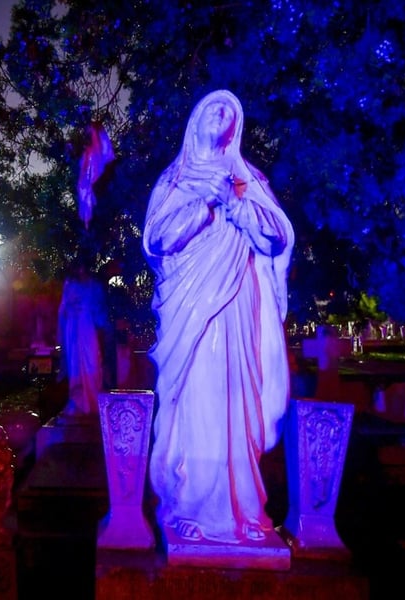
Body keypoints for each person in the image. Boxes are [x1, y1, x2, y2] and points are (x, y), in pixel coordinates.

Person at [143, 89, 295, 545]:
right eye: (213, 106)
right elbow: (156, 241)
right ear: (195, 120)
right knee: (201, 398)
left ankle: (245, 510)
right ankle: (191, 505)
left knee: (239, 399)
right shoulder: (175, 179)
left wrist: (235, 203)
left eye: (229, 110)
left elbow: (275, 239)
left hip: (238, 304)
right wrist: (202, 204)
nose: (222, 113)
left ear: (236, 127)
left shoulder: (249, 179)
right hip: (191, 309)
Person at [57, 259, 111, 415]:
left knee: (91, 360)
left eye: (83, 266)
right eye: (77, 267)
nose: (80, 270)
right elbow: (63, 308)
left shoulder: (94, 285)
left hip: (87, 325)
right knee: (75, 364)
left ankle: (93, 400)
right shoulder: (69, 283)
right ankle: (77, 400)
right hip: (73, 326)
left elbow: (100, 310)